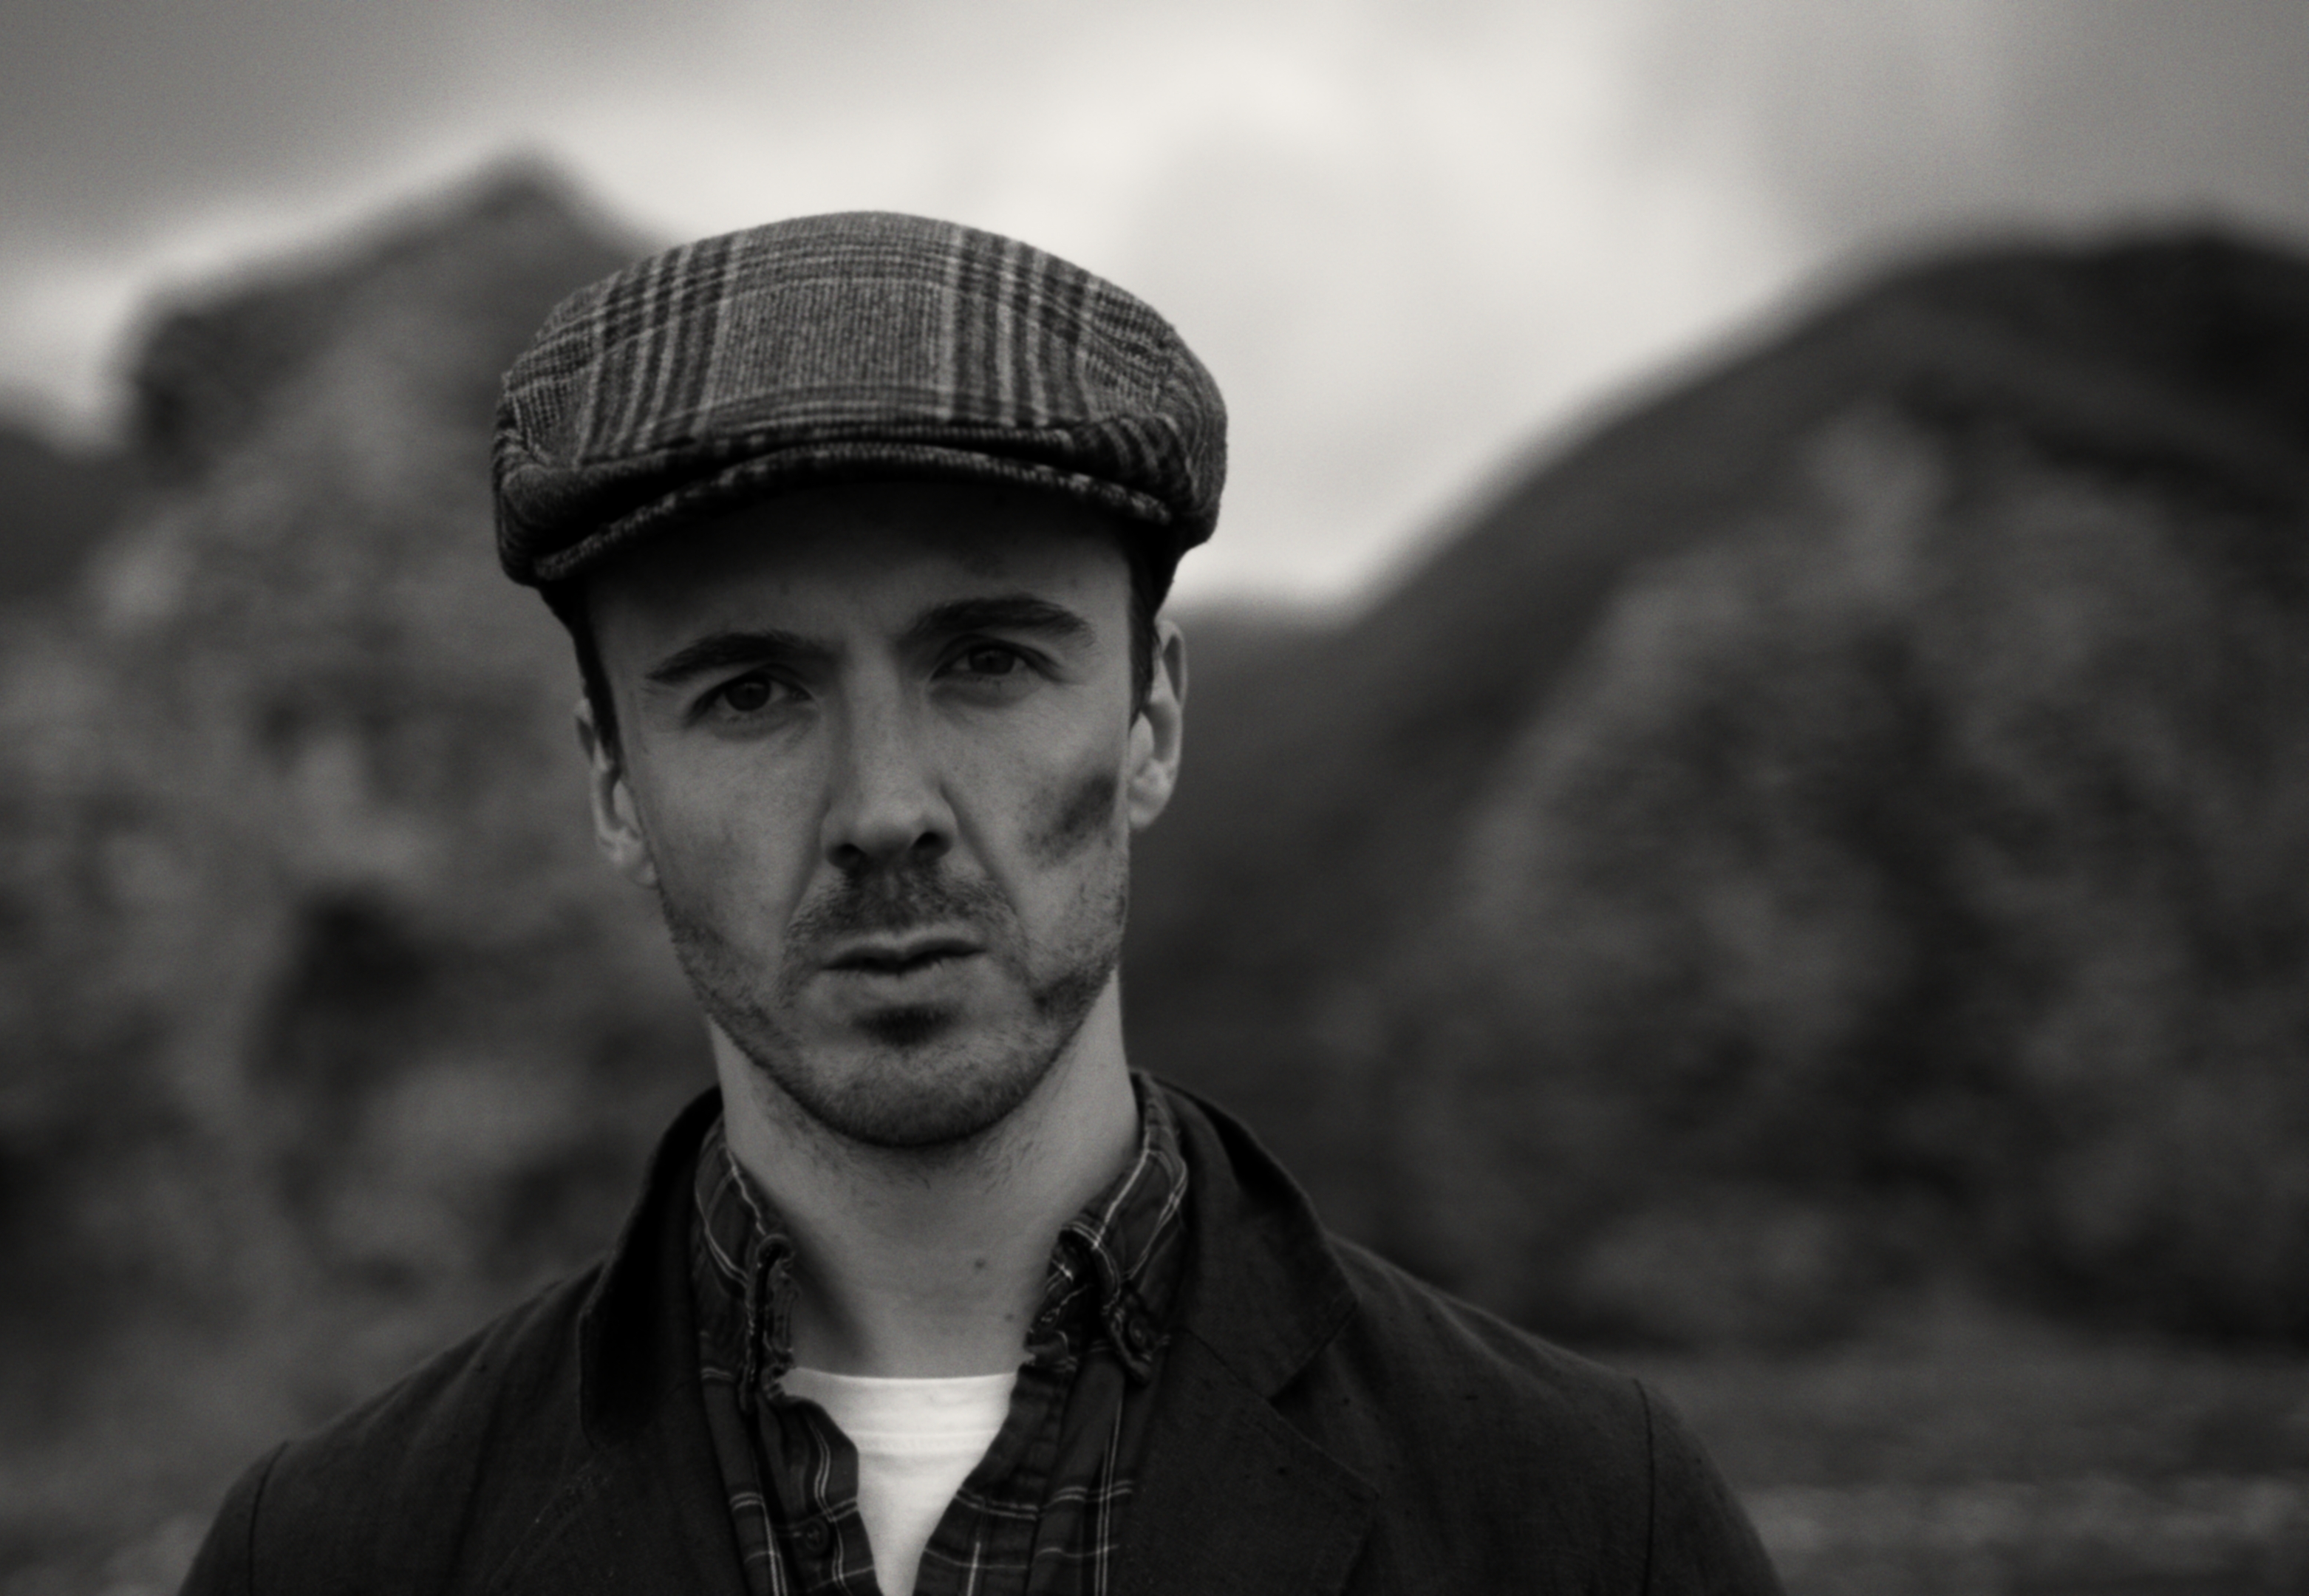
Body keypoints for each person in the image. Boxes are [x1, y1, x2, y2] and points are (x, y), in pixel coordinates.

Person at [177, 211, 1784, 1595]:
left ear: (1151, 718)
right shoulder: (330, 1556)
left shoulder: (1592, 1527)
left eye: (988, 662)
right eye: (749, 693)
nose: (886, 808)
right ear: (612, 780)